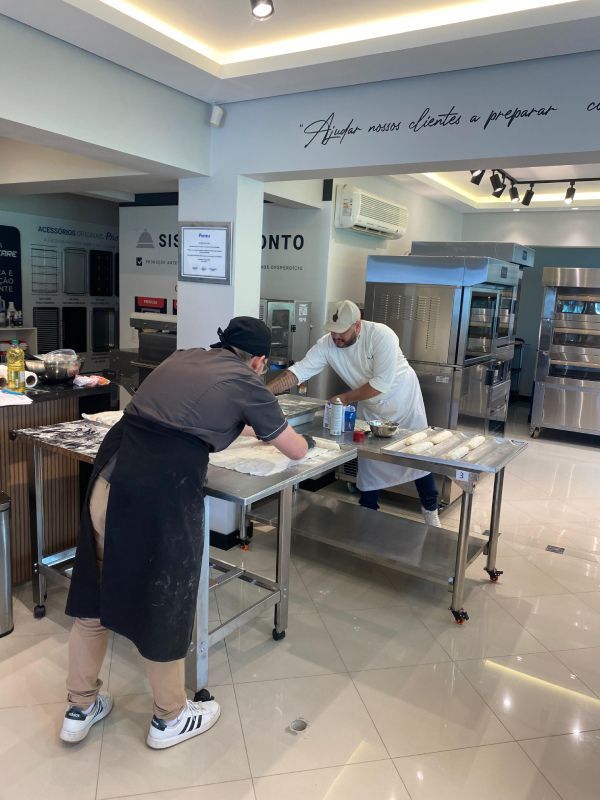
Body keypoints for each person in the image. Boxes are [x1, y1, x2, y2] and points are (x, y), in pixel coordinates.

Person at [61, 317, 313, 750]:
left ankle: (79, 708)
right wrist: (303, 443)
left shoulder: (186, 357)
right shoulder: (248, 381)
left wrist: (247, 425)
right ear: (259, 360)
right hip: (158, 495)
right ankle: (168, 718)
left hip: (110, 478)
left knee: (96, 594)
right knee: (164, 600)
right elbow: (293, 448)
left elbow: (205, 412)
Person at [267, 300, 441, 525]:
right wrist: (264, 392)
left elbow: (380, 384)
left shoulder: (381, 335)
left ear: (357, 326)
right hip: (369, 404)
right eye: (332, 332)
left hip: (402, 400)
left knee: (416, 457)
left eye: (342, 332)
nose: (336, 337)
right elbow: (298, 372)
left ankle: (430, 512)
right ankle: (368, 511)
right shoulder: (327, 344)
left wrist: (345, 398)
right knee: (371, 461)